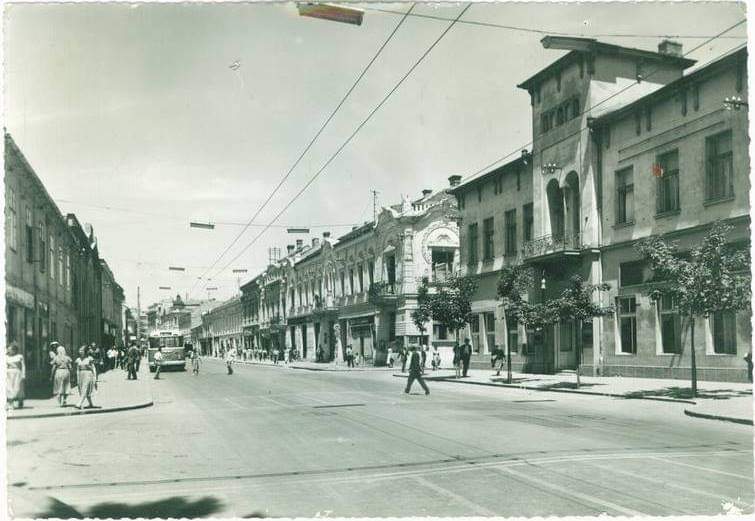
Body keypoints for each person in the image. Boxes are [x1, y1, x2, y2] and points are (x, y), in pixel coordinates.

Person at [6, 342, 25, 410]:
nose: (9, 351)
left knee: (18, 388)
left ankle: (20, 400)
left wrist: (23, 374)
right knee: (9, 388)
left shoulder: (19, 356)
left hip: (17, 374)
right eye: (8, 349)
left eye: (10, 349)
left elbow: (23, 366)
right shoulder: (6, 357)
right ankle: (11, 403)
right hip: (8, 374)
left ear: (14, 350)